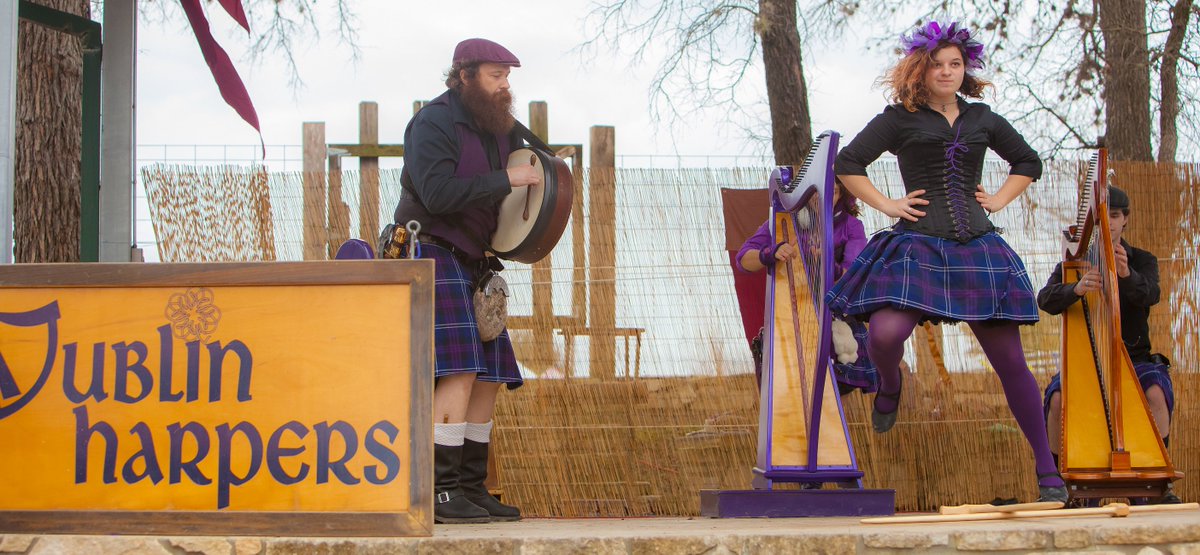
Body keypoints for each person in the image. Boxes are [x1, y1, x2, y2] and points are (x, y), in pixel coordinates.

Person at [825, 21, 1067, 502]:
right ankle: (888, 384)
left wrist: (997, 199)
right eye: (937, 64)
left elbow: (1028, 162)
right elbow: (848, 163)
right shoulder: (899, 118)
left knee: (1012, 363)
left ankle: (1048, 473)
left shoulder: (983, 119)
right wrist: (890, 205)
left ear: (965, 68)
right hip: (917, 244)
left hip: (977, 245)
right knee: (885, 334)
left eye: (955, 64)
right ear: (921, 68)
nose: (947, 71)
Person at [391, 38, 540, 524]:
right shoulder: (433, 123)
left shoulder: (501, 128)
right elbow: (436, 194)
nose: (505, 85)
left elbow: (531, 176)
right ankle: (441, 490)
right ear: (464, 74)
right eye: (496, 75)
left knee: (488, 377)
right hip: (431, 250)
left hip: (476, 261)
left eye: (507, 76)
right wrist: (507, 180)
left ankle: (472, 488)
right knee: (457, 371)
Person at [1039, 185, 1180, 504]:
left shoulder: (1142, 260)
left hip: (1136, 360)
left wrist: (1126, 274)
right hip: (1087, 364)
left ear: (1125, 219)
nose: (1111, 224)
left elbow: (1151, 295)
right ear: (1093, 225)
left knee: (1156, 393)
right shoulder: (1072, 263)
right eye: (1104, 219)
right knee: (1059, 399)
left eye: (1115, 216)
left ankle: (1160, 481)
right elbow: (1045, 300)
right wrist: (1075, 288)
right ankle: (1061, 485)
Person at [735, 179, 878, 395]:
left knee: (835, 390)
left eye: (834, 191)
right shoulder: (783, 223)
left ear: (843, 196)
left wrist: (828, 265)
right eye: (816, 192)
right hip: (793, 315)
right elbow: (744, 260)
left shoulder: (850, 226)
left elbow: (853, 275)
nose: (823, 197)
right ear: (805, 194)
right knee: (792, 388)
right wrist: (770, 253)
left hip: (835, 316)